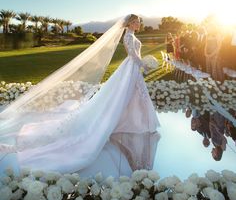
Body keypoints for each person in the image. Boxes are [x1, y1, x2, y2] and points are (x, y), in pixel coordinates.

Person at [0, 14, 160, 178]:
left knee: (129, 96)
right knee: (120, 97)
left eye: (139, 22)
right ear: (130, 23)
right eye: (136, 22)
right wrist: (144, 64)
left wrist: (142, 64)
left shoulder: (132, 35)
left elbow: (135, 56)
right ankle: (122, 123)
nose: (139, 24)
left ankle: (133, 122)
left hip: (132, 69)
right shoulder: (128, 36)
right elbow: (132, 55)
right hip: (131, 67)